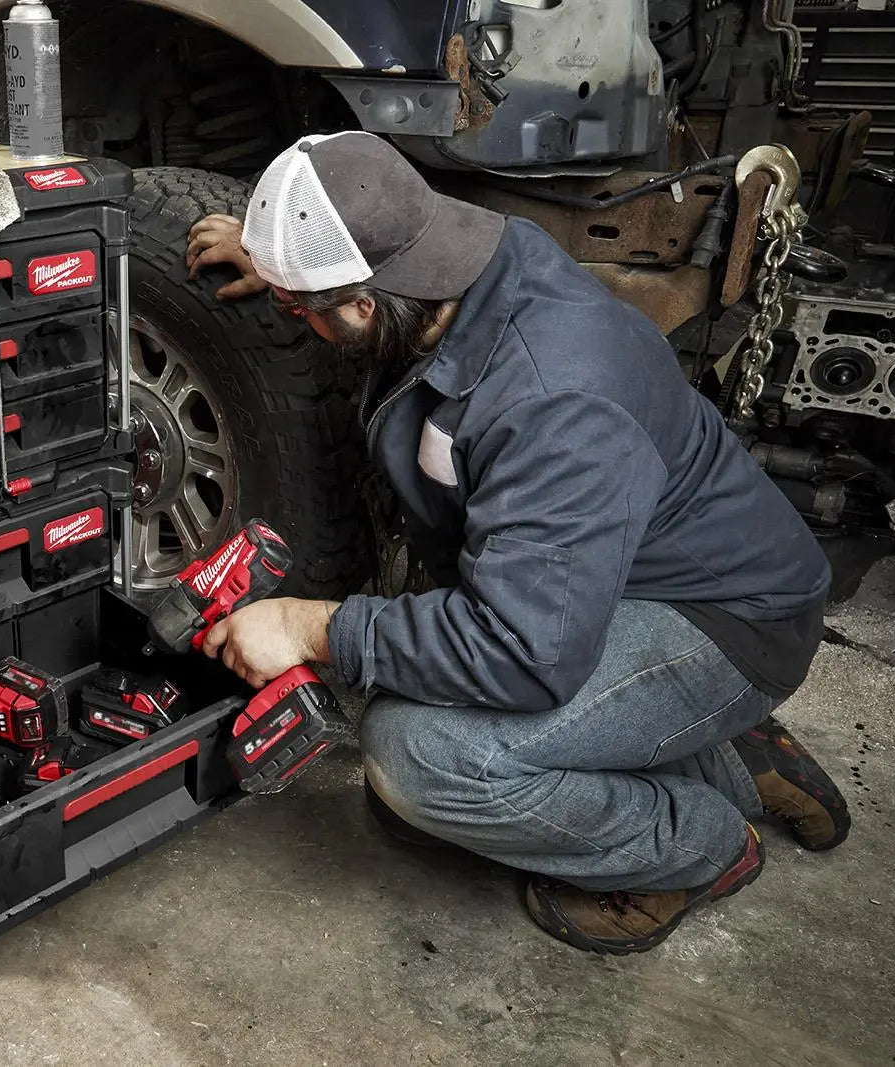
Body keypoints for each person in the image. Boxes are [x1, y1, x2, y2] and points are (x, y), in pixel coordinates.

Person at [184, 131, 848, 955]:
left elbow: (526, 650)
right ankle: (728, 755)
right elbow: (367, 229)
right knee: (418, 707)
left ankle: (698, 843)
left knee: (420, 755)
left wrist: (311, 626)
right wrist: (288, 267)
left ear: (363, 302)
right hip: (626, 570)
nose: (299, 318)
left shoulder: (555, 403)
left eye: (305, 309)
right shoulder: (464, 254)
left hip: (723, 618)